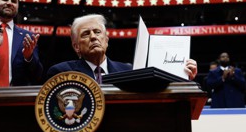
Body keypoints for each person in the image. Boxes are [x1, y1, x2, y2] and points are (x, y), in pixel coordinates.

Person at [46, 14, 198, 83]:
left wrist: (183, 76)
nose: (93, 37)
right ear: (76, 47)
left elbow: (155, 91)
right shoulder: (61, 73)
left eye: (97, 32)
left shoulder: (130, 71)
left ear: (106, 40)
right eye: (86, 34)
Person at [0, 0, 43, 86]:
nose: (9, 3)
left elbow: (37, 75)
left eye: (14, 1)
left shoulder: (28, 37)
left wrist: (28, 57)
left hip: (15, 96)